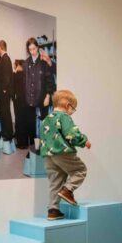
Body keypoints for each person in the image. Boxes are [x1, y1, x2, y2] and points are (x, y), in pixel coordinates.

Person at [40, 89, 91, 221]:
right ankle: (68, 190)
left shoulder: (46, 119)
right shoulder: (64, 117)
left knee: (55, 182)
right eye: (73, 109)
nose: (72, 112)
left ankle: (53, 210)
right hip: (62, 152)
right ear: (68, 106)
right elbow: (71, 134)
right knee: (80, 170)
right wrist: (84, 141)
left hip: (48, 156)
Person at [18, 37, 55, 149]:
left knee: (44, 123)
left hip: (42, 97)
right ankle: (34, 146)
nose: (33, 52)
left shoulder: (44, 62)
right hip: (29, 98)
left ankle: (44, 146)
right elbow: (24, 82)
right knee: (31, 124)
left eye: (34, 48)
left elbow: (49, 80)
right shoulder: (25, 63)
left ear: (38, 48)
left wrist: (48, 96)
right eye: (30, 49)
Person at [0, 40, 14, 143]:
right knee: (3, 112)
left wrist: (4, 89)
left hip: (4, 92)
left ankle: (8, 134)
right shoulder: (4, 58)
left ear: (0, 47)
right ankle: (5, 132)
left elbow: (6, 77)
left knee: (5, 113)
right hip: (4, 91)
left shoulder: (5, 59)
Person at [13, 59, 26, 147]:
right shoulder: (26, 75)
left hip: (18, 100)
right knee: (23, 121)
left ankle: (21, 143)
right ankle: (23, 141)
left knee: (19, 120)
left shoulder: (17, 75)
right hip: (24, 101)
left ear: (19, 65)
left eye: (15, 65)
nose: (14, 66)